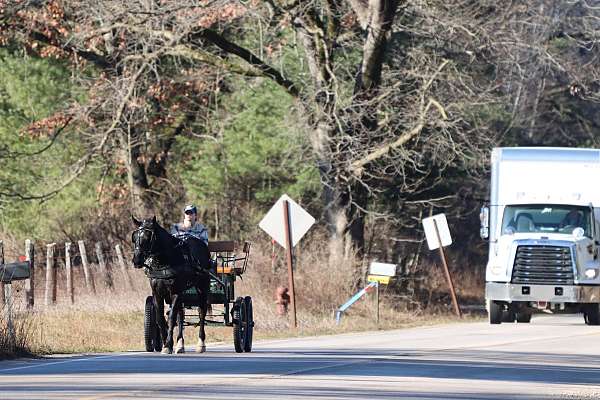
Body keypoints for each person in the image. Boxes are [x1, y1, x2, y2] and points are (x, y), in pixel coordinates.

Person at [171, 204, 209, 270]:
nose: (189, 215)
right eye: (187, 213)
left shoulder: (201, 229)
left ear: (195, 215)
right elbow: (171, 243)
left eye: (191, 213)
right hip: (180, 258)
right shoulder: (176, 227)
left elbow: (204, 246)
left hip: (196, 261)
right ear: (184, 215)